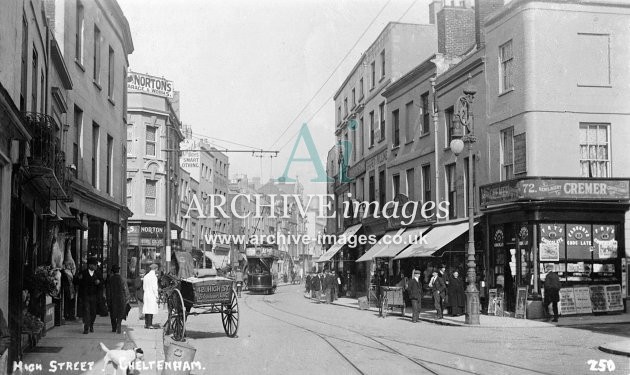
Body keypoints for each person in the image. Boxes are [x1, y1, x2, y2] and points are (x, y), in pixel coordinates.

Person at [77, 257, 103, 334]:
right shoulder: (83, 273)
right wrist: (79, 279)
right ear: (90, 265)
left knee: (93, 312)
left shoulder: (98, 273)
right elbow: (76, 282)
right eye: (95, 265)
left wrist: (99, 282)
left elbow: (102, 283)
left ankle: (91, 324)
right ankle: (86, 327)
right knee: (86, 311)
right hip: (85, 296)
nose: (96, 267)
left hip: (94, 296)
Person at [106, 265, 130, 333]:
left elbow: (108, 291)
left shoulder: (110, 279)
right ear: (118, 271)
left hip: (113, 298)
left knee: (112, 313)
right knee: (120, 312)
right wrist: (127, 298)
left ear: (112, 272)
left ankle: (114, 327)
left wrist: (107, 299)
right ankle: (119, 324)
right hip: (121, 298)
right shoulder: (122, 279)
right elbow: (125, 289)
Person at [142, 263, 160, 329]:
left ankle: (146, 324)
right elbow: (155, 288)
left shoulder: (146, 276)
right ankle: (150, 324)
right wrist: (157, 296)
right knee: (151, 310)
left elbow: (144, 287)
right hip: (152, 294)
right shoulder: (154, 277)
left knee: (147, 309)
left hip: (146, 294)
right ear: (156, 269)